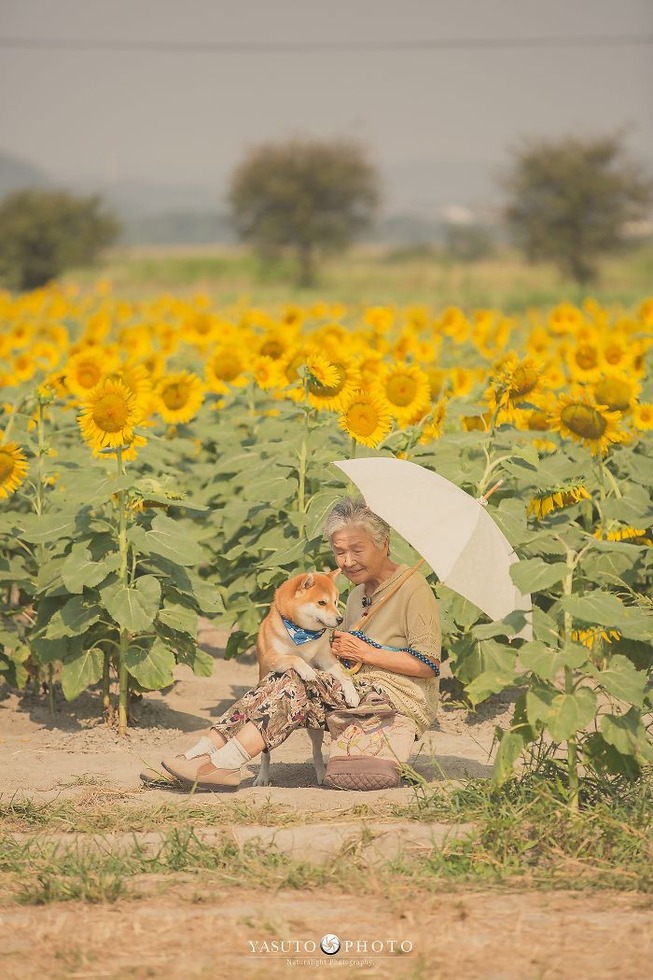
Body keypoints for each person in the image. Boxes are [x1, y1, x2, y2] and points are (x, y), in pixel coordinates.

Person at [152, 497, 441, 791]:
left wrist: (366, 652)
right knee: (280, 677)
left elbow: (428, 666)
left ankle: (225, 764)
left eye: (357, 549)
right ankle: (201, 753)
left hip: (396, 697)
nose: (348, 561)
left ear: (383, 544)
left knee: (295, 681)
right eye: (339, 551)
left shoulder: (413, 589)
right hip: (353, 690)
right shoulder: (355, 595)